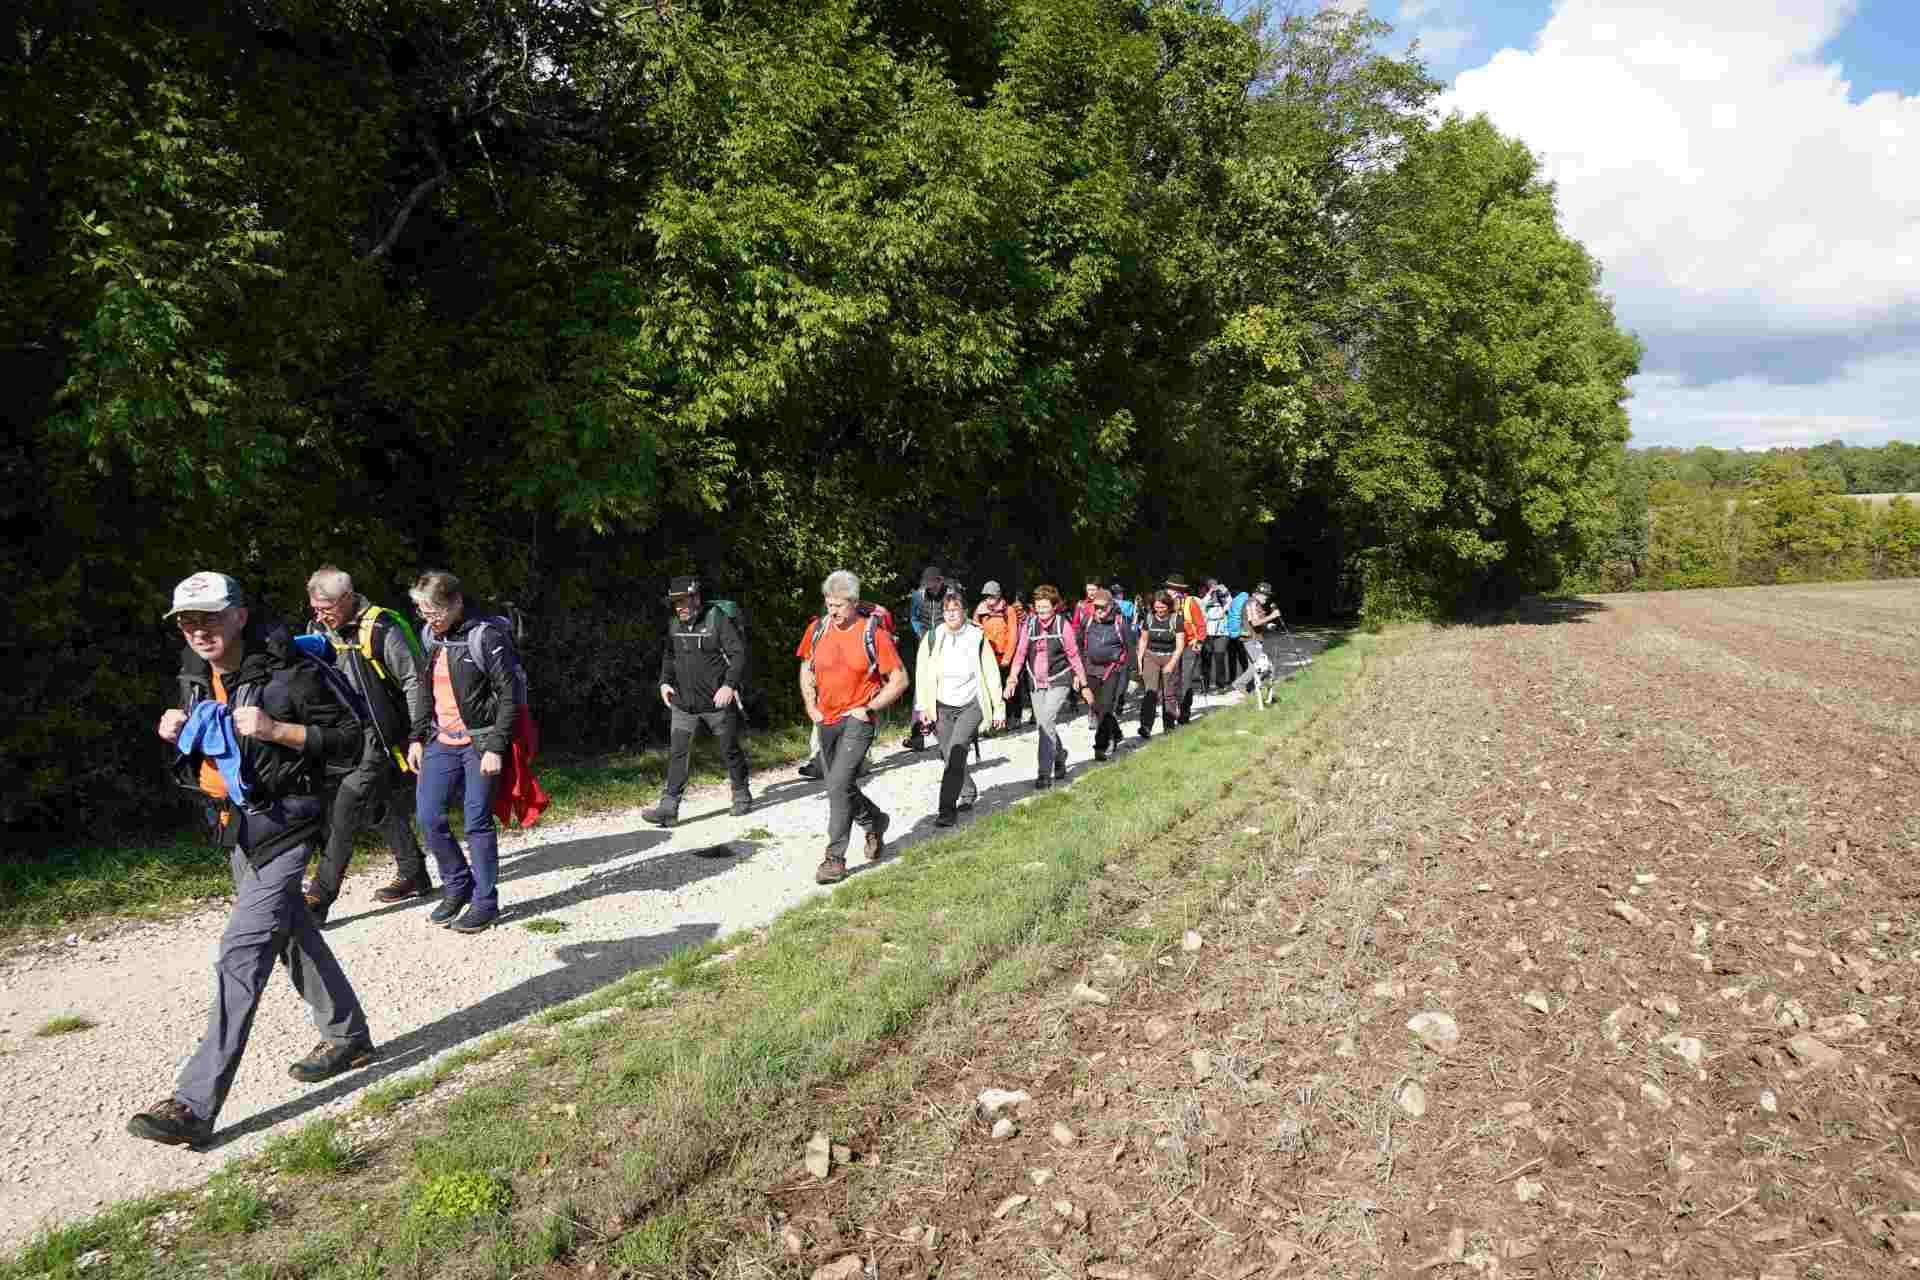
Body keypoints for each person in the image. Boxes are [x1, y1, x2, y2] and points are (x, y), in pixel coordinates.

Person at [128, 572, 376, 1148]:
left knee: (242, 952)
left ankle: (193, 1105)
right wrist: (177, 729)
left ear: (239, 616)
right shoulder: (195, 672)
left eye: (209, 618)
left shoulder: (291, 671)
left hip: (287, 822)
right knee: (289, 932)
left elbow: (351, 738)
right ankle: (348, 1036)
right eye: (187, 622)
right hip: (236, 823)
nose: (198, 631)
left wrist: (277, 729)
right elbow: (212, 745)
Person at [302, 567, 433, 923]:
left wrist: (418, 735)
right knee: (377, 804)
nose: (319, 615)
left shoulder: (381, 628)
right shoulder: (317, 628)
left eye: (326, 607)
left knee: (344, 808)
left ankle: (319, 897)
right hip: (340, 734)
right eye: (315, 608)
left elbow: (414, 681)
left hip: (377, 733)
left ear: (347, 598)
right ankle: (414, 872)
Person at [408, 570, 519, 933]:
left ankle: (485, 902)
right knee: (428, 816)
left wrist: (496, 747)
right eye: (423, 611)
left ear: (456, 603)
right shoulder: (430, 636)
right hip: (440, 739)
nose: (429, 618)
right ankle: (458, 885)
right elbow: (424, 690)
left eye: (435, 610)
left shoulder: (485, 636)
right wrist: (416, 737)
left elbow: (509, 695)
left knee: (476, 820)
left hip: (479, 742)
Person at [799, 570, 910, 884]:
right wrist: (810, 705)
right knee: (840, 784)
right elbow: (806, 668)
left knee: (837, 784)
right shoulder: (817, 629)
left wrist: (869, 708)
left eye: (838, 605)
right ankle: (874, 820)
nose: (832, 611)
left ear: (854, 602)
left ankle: (834, 859)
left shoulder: (873, 634)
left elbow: (900, 679)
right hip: (826, 719)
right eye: (828, 604)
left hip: (858, 720)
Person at [645, 576, 753, 827]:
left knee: (729, 749)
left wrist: (729, 686)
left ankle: (741, 793)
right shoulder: (674, 624)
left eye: (683, 601)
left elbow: (738, 654)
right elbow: (669, 656)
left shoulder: (717, 619)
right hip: (684, 703)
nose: (679, 607)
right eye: (675, 603)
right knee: (678, 753)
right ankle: (669, 808)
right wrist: (664, 682)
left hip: (717, 701)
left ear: (696, 598)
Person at [914, 589, 1006, 825]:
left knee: (956, 752)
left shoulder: (977, 636)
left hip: (971, 705)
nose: (951, 614)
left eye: (955, 609)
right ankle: (967, 790)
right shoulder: (932, 638)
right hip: (942, 706)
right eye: (947, 610)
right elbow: (922, 674)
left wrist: (998, 707)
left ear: (964, 611)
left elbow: (991, 673)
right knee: (949, 754)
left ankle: (946, 810)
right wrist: (923, 706)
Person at [1003, 585, 1092, 788]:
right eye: (1038, 607)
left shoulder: (1063, 625)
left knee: (1045, 721)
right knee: (1044, 725)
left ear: (1054, 607)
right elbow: (1020, 653)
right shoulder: (1030, 625)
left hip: (1059, 680)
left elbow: (1074, 656)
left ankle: (1044, 773)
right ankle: (1059, 756)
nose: (1041, 611)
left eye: (1045, 607)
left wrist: (1084, 684)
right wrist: (1012, 678)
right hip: (1036, 681)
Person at [1078, 588, 1135, 761]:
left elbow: (1130, 648)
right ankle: (1116, 733)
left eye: (1103, 607)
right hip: (1090, 669)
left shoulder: (1120, 623)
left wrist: (1132, 674)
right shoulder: (1087, 621)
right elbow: (1079, 645)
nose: (1099, 610)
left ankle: (1100, 746)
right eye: (1096, 607)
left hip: (1113, 670)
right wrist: (1078, 671)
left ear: (1111, 606)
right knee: (1096, 706)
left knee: (1106, 707)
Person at [1136, 590, 1186, 738]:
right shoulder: (1149, 618)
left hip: (1170, 656)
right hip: (1151, 657)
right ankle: (1146, 726)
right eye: (1157, 607)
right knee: (1150, 692)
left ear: (1169, 606)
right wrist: (1139, 659)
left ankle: (1169, 726)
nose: (1159, 610)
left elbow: (1180, 646)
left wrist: (1171, 664)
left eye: (1163, 607)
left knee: (1168, 694)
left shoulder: (1176, 619)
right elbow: (1143, 640)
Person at [974, 581, 1025, 726]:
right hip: (988, 657)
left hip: (1005, 656)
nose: (989, 599)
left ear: (998, 595)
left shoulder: (1008, 611)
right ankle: (996, 720)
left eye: (991, 596)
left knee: (1010, 688)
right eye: (986, 596)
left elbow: (1013, 636)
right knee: (993, 689)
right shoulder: (980, 611)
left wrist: (1008, 657)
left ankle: (1014, 717)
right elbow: (975, 631)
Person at [1165, 576, 1208, 723]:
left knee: (1186, 680)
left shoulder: (1190, 602)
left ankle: (1184, 713)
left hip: (1190, 644)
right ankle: (1174, 709)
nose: (1168, 590)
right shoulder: (1166, 603)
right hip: (1172, 646)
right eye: (1168, 588)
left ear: (1178, 589)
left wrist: (1200, 641)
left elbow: (1200, 624)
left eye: (1170, 588)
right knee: (1173, 679)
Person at [1228, 583, 1280, 703]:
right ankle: (1240, 684)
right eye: (1266, 595)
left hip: (1254, 638)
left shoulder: (1255, 603)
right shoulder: (1251, 603)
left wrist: (1267, 625)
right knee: (1263, 666)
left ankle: (1257, 693)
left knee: (1255, 667)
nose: (1267, 598)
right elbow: (1255, 622)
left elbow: (1256, 622)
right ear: (1258, 593)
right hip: (1251, 639)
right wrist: (1272, 616)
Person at [1201, 579, 1232, 693]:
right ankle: (1205, 686)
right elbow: (1201, 605)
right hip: (1208, 633)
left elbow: (1230, 602)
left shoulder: (1223, 598)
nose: (1214, 588)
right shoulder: (1205, 599)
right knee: (1206, 660)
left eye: (1215, 585)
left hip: (1222, 633)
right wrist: (1209, 593)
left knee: (1219, 659)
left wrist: (1225, 591)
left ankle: (1221, 685)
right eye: (1211, 586)